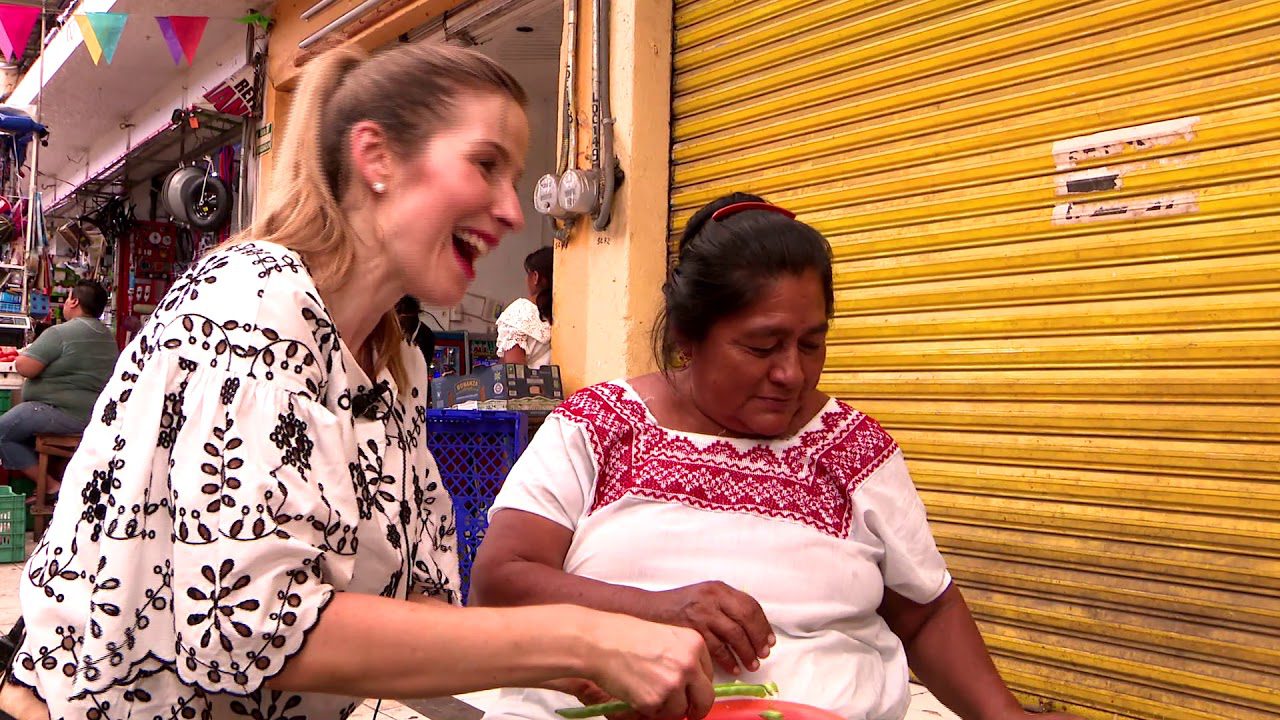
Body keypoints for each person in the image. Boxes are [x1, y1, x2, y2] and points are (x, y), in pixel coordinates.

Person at [1, 44, 716, 720]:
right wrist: (577, 638)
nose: (511, 209)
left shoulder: (390, 359)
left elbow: (418, 608)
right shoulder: (254, 302)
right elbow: (247, 624)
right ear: (375, 156)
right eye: (486, 164)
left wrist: (564, 666)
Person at [469, 193, 1082, 720]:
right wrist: (655, 610)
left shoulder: (853, 448)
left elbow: (924, 610)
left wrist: (1004, 714)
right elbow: (500, 581)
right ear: (688, 337)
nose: (792, 373)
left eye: (812, 344)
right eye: (762, 345)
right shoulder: (599, 426)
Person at [0, 280, 117, 498]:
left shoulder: (60, 333)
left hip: (64, 413)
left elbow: (25, 368)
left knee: (3, 432)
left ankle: (52, 486)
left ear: (74, 301)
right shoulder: (106, 336)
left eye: (67, 297)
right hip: (94, 414)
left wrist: (25, 355)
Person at [496, 246, 552, 367]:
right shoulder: (561, 314)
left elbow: (514, 373)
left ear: (535, 277)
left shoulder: (519, 312)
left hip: (530, 385)